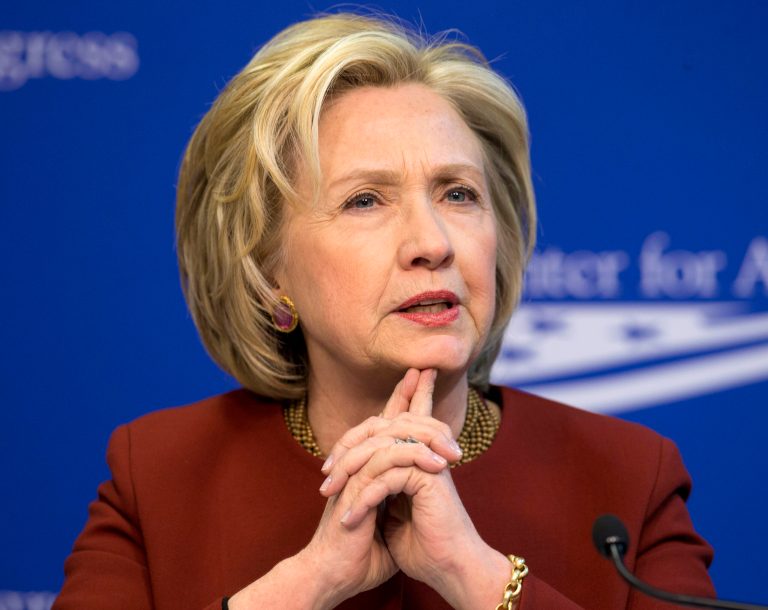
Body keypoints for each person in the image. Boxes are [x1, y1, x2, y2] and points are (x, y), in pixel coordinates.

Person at [54, 12, 714, 610]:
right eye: (366, 200)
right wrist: (308, 582)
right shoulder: (161, 476)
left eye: (458, 194)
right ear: (265, 275)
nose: (432, 244)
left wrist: (478, 578)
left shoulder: (628, 480)